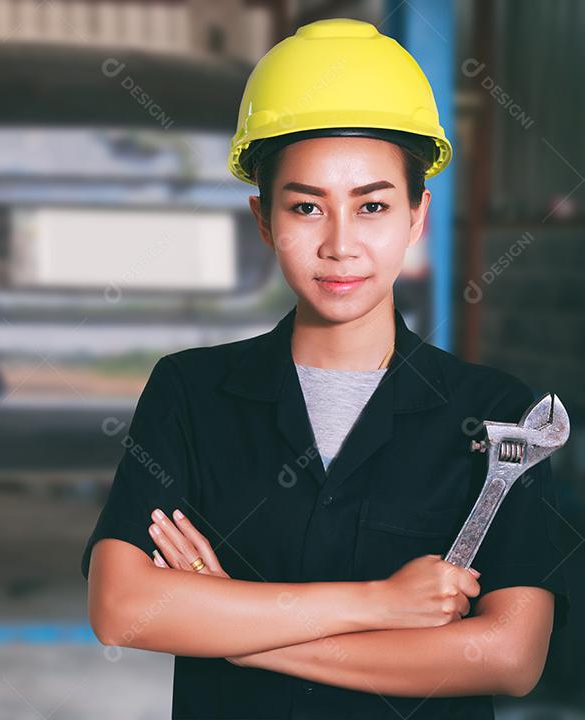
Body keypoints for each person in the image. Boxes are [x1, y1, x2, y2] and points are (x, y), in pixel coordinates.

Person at [81, 17, 570, 720]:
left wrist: (232, 627)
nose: (340, 245)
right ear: (263, 218)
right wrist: (379, 605)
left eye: (371, 206)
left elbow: (507, 656)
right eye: (306, 207)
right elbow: (122, 607)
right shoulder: (190, 393)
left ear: (416, 216)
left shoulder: (497, 415)